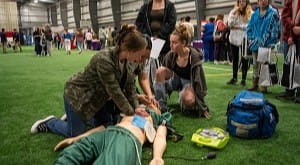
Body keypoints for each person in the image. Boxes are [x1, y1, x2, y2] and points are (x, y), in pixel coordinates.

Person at [30, 25, 152, 138]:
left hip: (96, 100)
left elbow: (130, 86)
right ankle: (50, 122)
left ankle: (74, 117)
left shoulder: (129, 62)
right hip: (77, 96)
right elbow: (115, 92)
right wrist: (131, 113)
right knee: (75, 133)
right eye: (140, 55)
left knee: (107, 126)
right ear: (131, 50)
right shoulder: (104, 59)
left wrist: (136, 107)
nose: (141, 59)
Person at [54, 108, 171, 165]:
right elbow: (104, 126)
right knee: (70, 155)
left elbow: (161, 135)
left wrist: (157, 157)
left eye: (154, 102)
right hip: (106, 133)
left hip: (127, 138)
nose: (150, 101)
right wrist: (77, 139)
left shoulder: (156, 117)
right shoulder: (128, 109)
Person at [154, 24, 210, 118]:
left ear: (183, 43)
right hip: (175, 79)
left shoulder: (194, 57)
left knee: (189, 100)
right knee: (160, 71)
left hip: (188, 83)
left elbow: (199, 84)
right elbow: (160, 80)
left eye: (174, 43)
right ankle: (161, 106)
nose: (171, 45)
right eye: (170, 42)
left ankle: (183, 97)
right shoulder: (170, 55)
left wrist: (203, 108)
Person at [135, 0, 177, 88]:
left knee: (164, 67)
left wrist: (159, 36)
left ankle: (164, 88)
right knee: (148, 67)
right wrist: (147, 36)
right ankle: (151, 88)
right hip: (148, 43)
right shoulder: (145, 7)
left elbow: (171, 22)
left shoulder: (170, 6)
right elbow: (138, 23)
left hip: (164, 42)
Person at [247, 0, 280, 93]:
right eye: (260, 0)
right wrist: (251, 38)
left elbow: (276, 29)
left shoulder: (273, 13)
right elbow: (249, 28)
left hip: (267, 43)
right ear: (258, 1)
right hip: (255, 43)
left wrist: (272, 42)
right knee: (255, 65)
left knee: (264, 65)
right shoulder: (254, 14)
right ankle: (255, 84)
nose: (263, 1)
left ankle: (264, 86)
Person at [277, 0, 300, 103]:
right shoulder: (290, 0)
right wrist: (292, 27)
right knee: (287, 64)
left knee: (298, 66)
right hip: (289, 36)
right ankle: (289, 90)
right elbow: (284, 16)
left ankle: (299, 92)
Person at [226, 0, 253, 86]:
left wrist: (238, 26)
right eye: (240, 1)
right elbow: (229, 24)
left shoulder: (250, 13)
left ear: (246, 3)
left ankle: (243, 79)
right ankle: (234, 78)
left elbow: (249, 26)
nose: (241, 3)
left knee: (244, 59)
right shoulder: (233, 12)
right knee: (235, 59)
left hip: (244, 39)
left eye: (243, 1)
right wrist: (234, 14)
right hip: (233, 39)